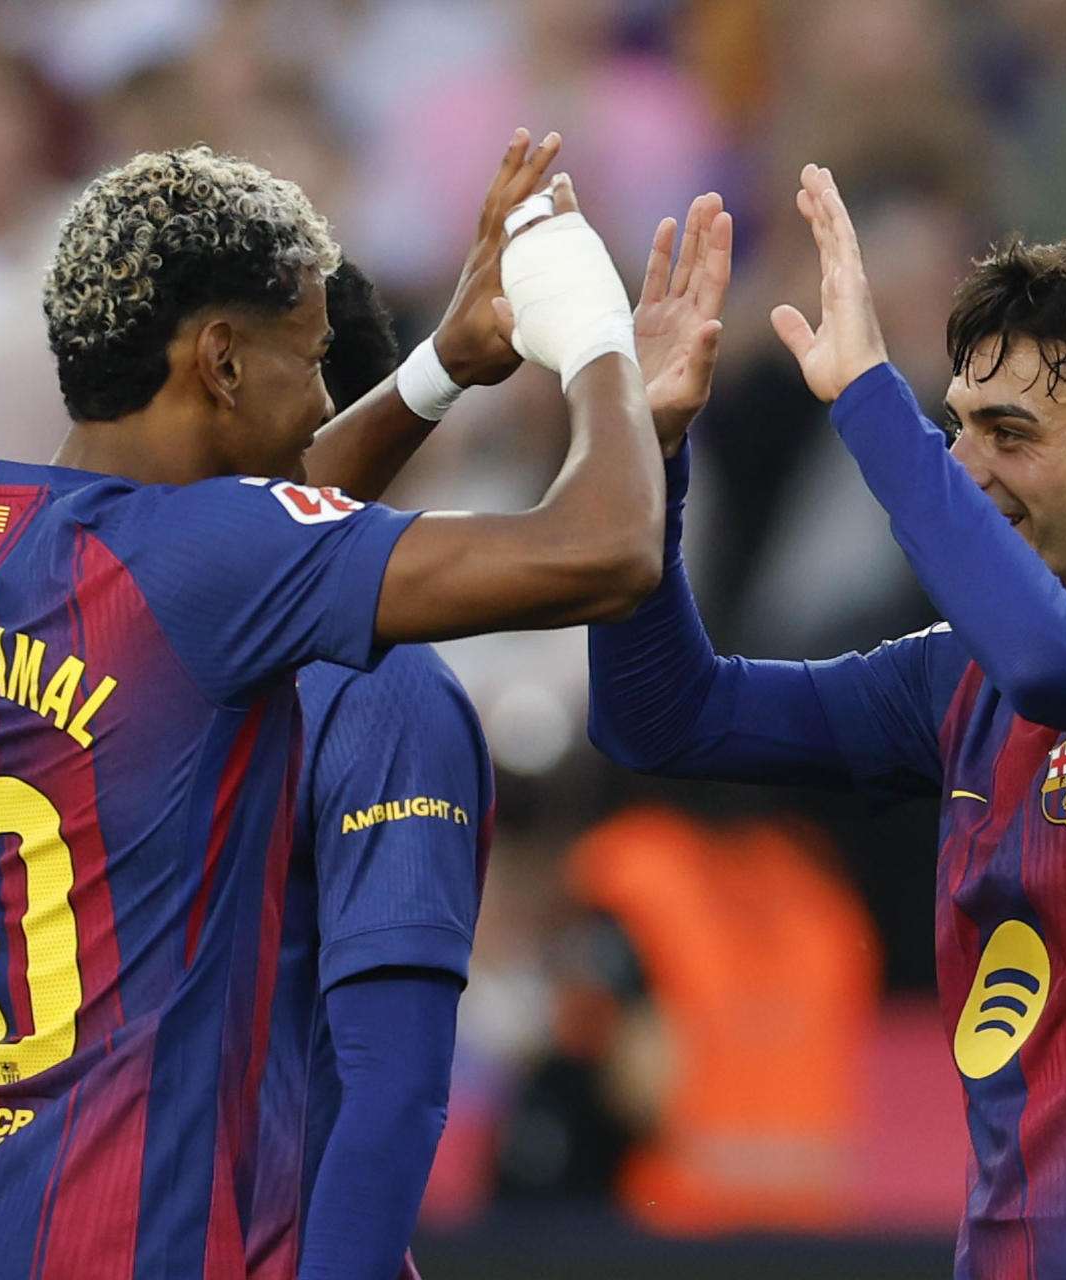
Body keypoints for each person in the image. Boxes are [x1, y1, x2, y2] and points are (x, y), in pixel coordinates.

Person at [0, 130, 665, 1280]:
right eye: (309, 356)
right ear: (220, 360)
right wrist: (597, 336)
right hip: (112, 1233)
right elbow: (609, 549)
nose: (321, 394)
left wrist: (440, 368)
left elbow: (240, 546)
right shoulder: (209, 566)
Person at [589, 165, 1066, 1278]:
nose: (962, 469)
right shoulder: (960, 682)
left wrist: (868, 400)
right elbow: (663, 717)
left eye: (1010, 433)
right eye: (953, 428)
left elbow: (1062, 664)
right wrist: (653, 453)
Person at [253, 190, 733, 1279]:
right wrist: (595, 351)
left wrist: (443, 369)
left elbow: (387, 1097)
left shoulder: (86, 593)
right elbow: (391, 1095)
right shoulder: (363, 680)